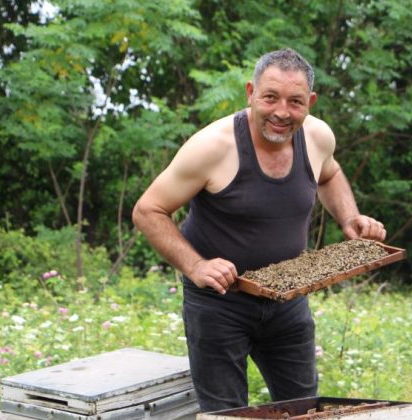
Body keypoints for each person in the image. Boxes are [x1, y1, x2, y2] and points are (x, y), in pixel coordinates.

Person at [132, 48, 386, 412]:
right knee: (227, 414)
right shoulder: (212, 147)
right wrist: (196, 266)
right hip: (219, 305)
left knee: (302, 409)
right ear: (251, 93)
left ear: (310, 102)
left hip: (288, 299)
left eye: (295, 102)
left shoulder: (317, 137)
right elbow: (148, 210)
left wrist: (349, 217)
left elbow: (329, 173)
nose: (282, 112)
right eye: (270, 97)